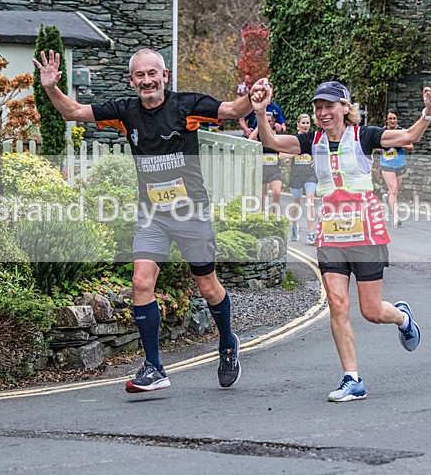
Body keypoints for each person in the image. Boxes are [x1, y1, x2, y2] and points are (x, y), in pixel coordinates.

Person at [33, 48, 263, 392]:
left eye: (152, 73)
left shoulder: (186, 106)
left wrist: (252, 98)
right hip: (152, 214)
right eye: (140, 75)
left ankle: (228, 341)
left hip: (191, 213)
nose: (147, 81)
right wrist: (51, 87)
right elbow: (73, 111)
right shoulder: (125, 111)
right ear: (132, 80)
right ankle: (154, 367)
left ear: (165, 76)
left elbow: (232, 110)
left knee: (207, 286)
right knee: (141, 282)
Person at [255, 80, 431, 402]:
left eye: (329, 106)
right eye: (318, 108)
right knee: (337, 304)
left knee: (371, 310)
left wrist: (428, 113)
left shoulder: (365, 136)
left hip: (365, 232)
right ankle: (352, 378)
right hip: (331, 234)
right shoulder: (311, 141)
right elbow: (270, 140)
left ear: (344, 107)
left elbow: (409, 136)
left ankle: (403, 318)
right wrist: (259, 111)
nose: (323, 113)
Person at [280, 113, 318, 243]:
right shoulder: (293, 139)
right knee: (296, 203)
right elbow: (281, 156)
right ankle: (294, 226)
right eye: (303, 123)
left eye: (307, 123)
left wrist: (316, 159)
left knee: (310, 202)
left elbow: (322, 151)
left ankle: (311, 233)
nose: (306, 126)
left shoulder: (312, 139)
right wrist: (294, 153)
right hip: (296, 176)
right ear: (298, 124)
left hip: (310, 175)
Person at [377, 109, 413, 228]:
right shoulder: (382, 132)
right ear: (386, 120)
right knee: (393, 189)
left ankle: (387, 197)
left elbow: (410, 146)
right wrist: (385, 146)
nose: (392, 121)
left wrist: (398, 143)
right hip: (387, 164)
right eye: (390, 118)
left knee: (395, 190)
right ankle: (395, 218)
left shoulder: (401, 132)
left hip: (399, 164)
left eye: (394, 118)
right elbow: (375, 146)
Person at [248, 111, 283, 212]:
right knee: (262, 196)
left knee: (277, 193)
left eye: (270, 121)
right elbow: (250, 139)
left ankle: (275, 216)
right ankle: (263, 217)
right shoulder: (259, 135)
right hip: (262, 169)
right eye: (266, 121)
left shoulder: (276, 134)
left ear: (273, 122)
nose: (268, 123)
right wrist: (260, 125)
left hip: (275, 169)